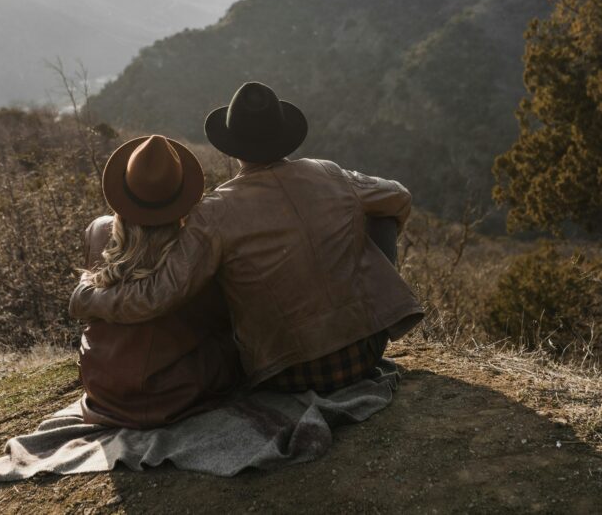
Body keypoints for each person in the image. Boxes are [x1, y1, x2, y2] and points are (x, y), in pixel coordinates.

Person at [70, 82, 424, 393]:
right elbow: (399, 197)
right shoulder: (330, 173)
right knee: (378, 216)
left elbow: (156, 297)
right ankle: (371, 311)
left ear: (231, 146)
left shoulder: (215, 212)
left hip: (286, 372)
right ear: (284, 134)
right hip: (365, 352)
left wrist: (88, 298)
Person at [76, 134, 243, 428]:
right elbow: (220, 317)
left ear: (122, 191)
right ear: (181, 195)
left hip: (103, 386)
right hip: (177, 391)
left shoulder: (98, 232)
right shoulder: (193, 249)